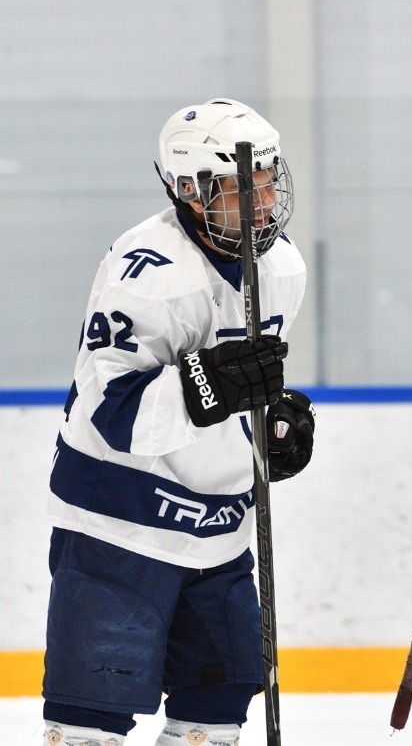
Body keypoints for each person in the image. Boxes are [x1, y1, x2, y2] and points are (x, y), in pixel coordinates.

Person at [42, 99, 316, 746]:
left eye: (269, 179)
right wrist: (208, 385)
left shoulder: (284, 267)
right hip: (118, 529)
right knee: (88, 725)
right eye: (239, 187)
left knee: (214, 717)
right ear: (188, 192)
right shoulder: (148, 272)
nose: (262, 199)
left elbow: (243, 381)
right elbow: (110, 410)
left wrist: (269, 427)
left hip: (219, 534)